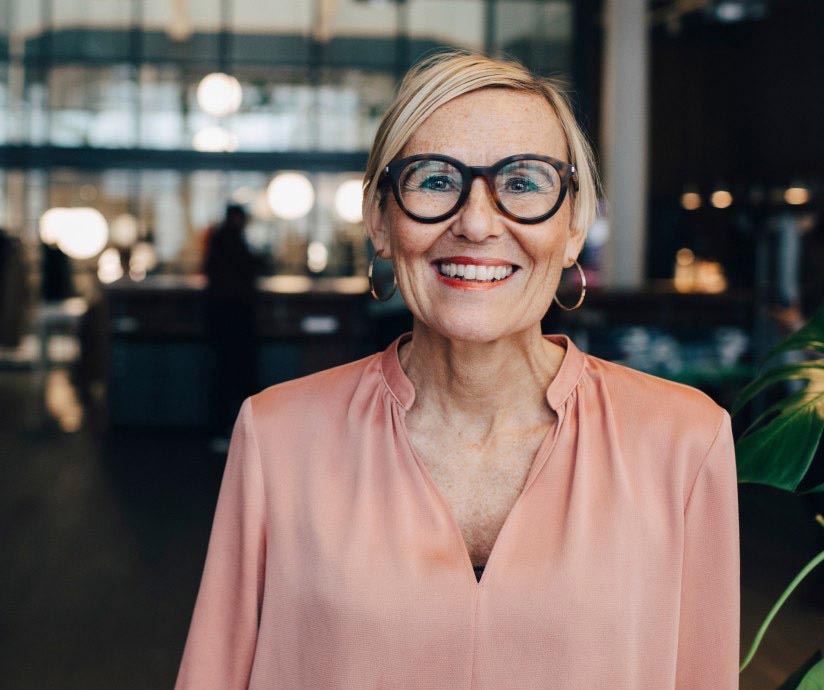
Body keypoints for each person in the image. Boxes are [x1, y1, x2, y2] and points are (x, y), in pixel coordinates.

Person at [176, 51, 739, 689]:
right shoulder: (278, 435)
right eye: (434, 180)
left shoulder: (684, 440)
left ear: (574, 225)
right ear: (379, 221)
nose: (474, 223)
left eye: (524, 183)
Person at [202, 203, 263, 447]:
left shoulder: (219, 240)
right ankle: (235, 431)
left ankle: (224, 430)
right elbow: (249, 269)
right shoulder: (233, 242)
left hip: (222, 318)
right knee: (237, 375)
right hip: (235, 318)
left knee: (224, 375)